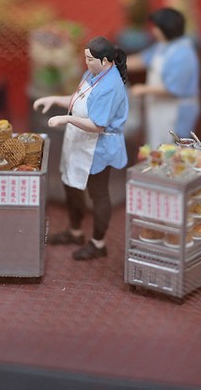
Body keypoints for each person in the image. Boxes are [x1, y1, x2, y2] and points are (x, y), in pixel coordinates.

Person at [34, 36, 129, 261]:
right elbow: (81, 98)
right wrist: (56, 99)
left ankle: (98, 243)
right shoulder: (95, 72)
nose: (85, 63)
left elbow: (97, 125)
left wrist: (65, 120)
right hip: (78, 139)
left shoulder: (111, 86)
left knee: (98, 193)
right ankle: (75, 231)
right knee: (71, 183)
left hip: (98, 146)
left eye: (89, 59)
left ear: (105, 60)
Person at [127, 7, 200, 147]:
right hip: (158, 108)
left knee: (173, 148)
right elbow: (143, 59)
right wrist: (114, 63)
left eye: (156, 27)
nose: (153, 30)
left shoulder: (183, 53)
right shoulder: (162, 46)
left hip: (175, 111)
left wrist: (143, 89)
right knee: (156, 145)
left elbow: (173, 88)